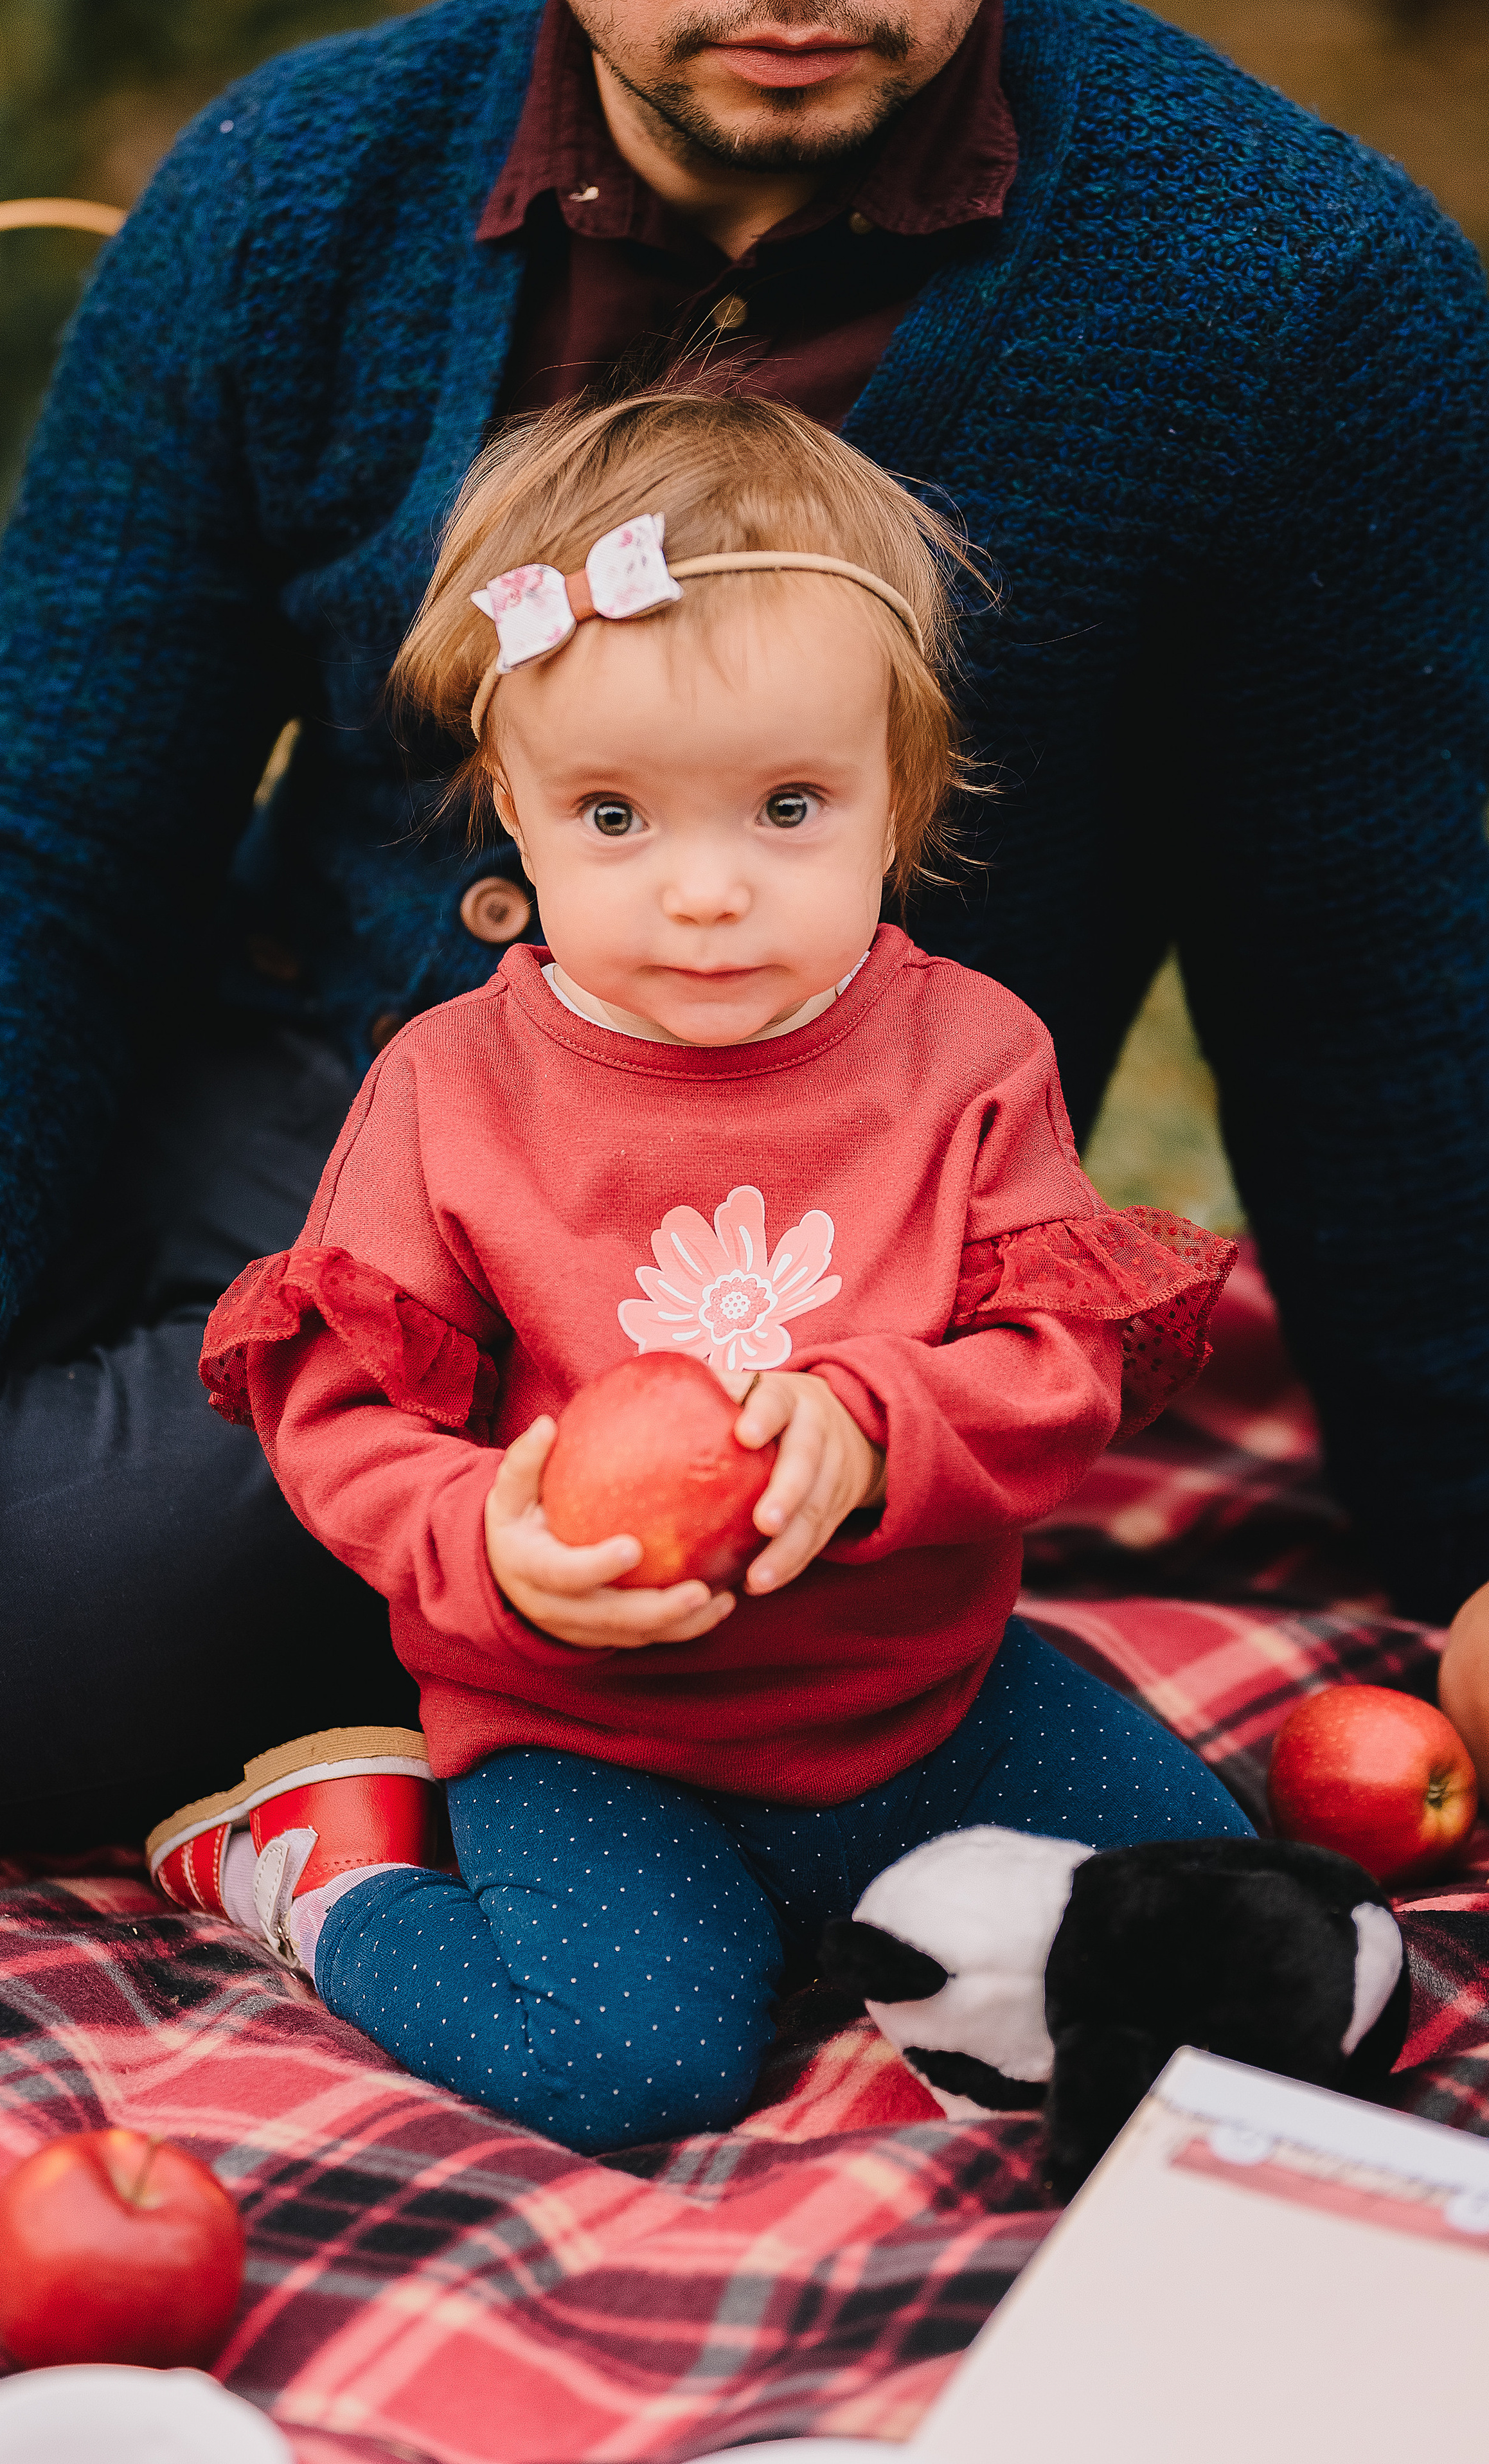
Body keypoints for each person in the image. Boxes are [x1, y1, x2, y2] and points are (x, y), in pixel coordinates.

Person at [0, 0, 1485, 1880]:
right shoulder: (285, 190)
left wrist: (1475, 1533)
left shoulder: (1294, 288)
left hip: (723, 1261)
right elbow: (41, 819)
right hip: (266, 1105)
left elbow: (1377, 1001)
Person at [143, 391, 1250, 2149]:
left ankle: (905, 1926)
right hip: (590, 1734)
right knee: (633, 2066)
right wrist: (482, 1531)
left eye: (788, 806)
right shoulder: (451, 1089)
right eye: (614, 817)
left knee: (1229, 1922)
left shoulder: (966, 1058)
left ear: (906, 795)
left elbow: (1064, 1359)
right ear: (510, 804)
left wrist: (882, 1429)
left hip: (927, 1708)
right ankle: (326, 1882)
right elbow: (338, 1401)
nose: (708, 892)